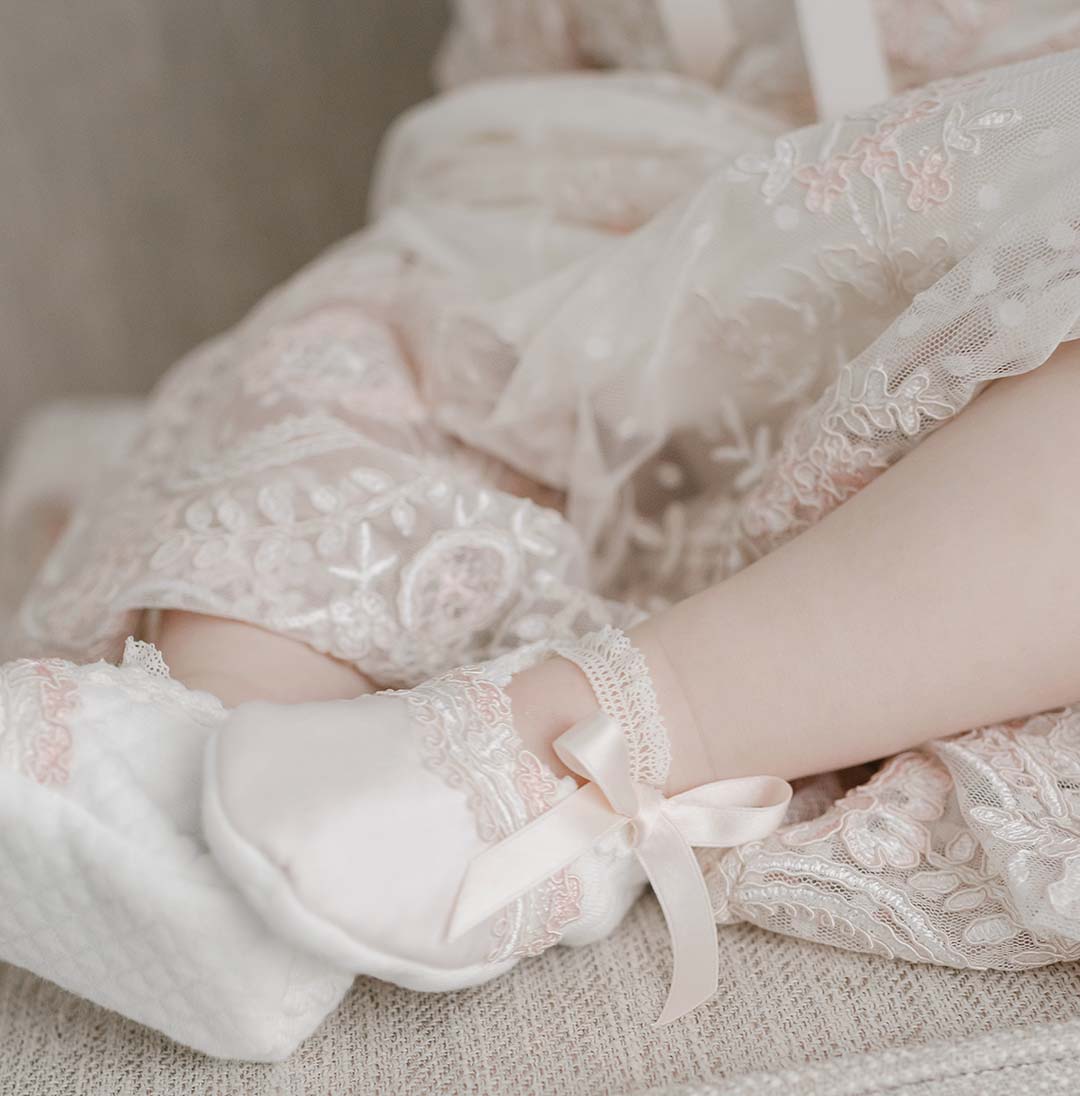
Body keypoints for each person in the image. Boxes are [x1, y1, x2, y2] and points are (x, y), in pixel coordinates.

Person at [5, 0, 1080, 1060]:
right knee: (339, 369)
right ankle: (216, 799)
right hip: (627, 265)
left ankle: (562, 751)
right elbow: (507, 104)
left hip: (997, 262)